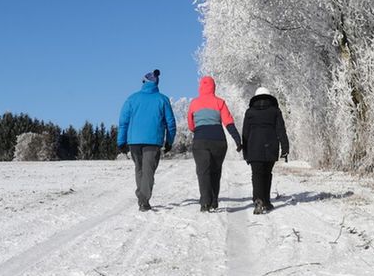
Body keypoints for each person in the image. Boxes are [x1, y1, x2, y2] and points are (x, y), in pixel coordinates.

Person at [117, 69, 176, 212]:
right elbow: (171, 123)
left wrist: (121, 142)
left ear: (144, 82)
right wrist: (169, 141)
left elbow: (123, 122)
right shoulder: (162, 99)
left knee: (140, 169)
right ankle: (143, 200)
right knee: (148, 171)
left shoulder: (132, 99)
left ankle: (142, 198)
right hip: (153, 141)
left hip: (134, 141)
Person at [186, 76, 242, 212]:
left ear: (200, 87)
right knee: (215, 171)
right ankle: (214, 200)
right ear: (213, 87)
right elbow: (228, 122)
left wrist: (199, 129)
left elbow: (191, 125)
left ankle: (205, 202)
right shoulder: (220, 102)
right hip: (219, 141)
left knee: (203, 171)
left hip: (200, 140)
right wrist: (237, 140)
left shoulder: (194, 103)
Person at [239, 86, 289, 214]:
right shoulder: (275, 111)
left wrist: (245, 152)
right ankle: (266, 202)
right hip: (271, 147)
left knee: (256, 175)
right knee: (267, 174)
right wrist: (285, 148)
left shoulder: (249, 112)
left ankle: (258, 200)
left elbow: (245, 133)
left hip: (254, 147)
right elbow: (281, 131)